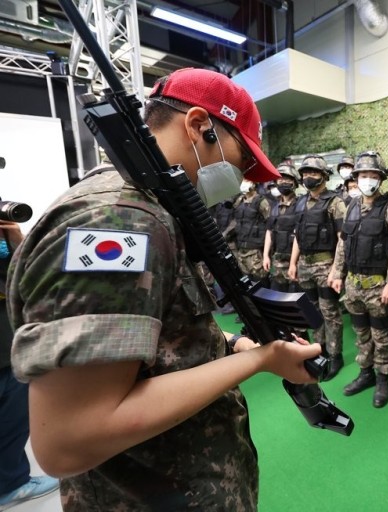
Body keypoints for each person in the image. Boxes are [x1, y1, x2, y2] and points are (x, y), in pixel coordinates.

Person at [5, 68, 321, 511]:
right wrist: (260, 359)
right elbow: (69, 440)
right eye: (241, 159)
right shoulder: (122, 222)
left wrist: (231, 343)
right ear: (198, 126)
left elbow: (156, 334)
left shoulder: (148, 207)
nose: (243, 177)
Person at [330, 151, 388, 407]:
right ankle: (365, 372)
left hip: (377, 285)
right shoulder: (351, 205)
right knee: (361, 332)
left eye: (373, 175)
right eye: (363, 175)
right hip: (353, 284)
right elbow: (343, 243)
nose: (367, 179)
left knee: (381, 334)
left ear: (381, 178)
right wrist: (337, 273)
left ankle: (383, 379)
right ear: (356, 177)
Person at [0, 220, 60, 510]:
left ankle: (11, 484)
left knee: (13, 420)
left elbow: (27, 282)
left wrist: (16, 244)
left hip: (6, 347)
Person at [288, 155, 347, 380]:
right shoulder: (300, 202)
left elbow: (342, 240)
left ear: (324, 176)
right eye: (305, 173)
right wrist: (293, 263)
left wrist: (336, 270)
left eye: (313, 173)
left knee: (330, 312)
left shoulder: (335, 202)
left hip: (326, 264)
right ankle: (319, 350)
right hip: (305, 265)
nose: (308, 177)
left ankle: (335, 354)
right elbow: (297, 235)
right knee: (312, 312)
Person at [264, 162, 301, 292]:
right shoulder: (274, 207)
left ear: (295, 182)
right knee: (277, 296)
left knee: (296, 297)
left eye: (287, 179)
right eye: (280, 179)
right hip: (277, 261)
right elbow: (269, 232)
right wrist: (266, 256)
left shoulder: (301, 205)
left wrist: (293, 263)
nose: (283, 182)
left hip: (296, 262)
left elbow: (299, 235)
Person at [231, 178, 271, 284]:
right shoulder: (239, 201)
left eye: (247, 181)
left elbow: (270, 226)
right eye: (242, 180)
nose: (243, 183)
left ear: (254, 183)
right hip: (241, 250)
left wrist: (267, 254)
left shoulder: (261, 201)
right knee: (247, 283)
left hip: (256, 251)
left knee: (261, 283)